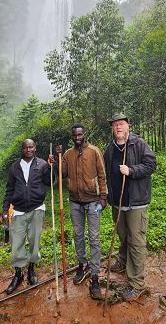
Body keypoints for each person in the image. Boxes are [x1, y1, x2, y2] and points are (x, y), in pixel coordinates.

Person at [104, 114, 156, 301]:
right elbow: (106, 174)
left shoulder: (139, 143)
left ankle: (137, 284)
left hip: (136, 202)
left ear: (128, 127)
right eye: (115, 125)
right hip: (118, 203)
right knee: (123, 235)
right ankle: (123, 261)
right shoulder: (110, 149)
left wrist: (132, 170)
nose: (118, 127)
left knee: (136, 240)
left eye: (121, 124)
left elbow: (151, 165)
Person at [56, 123, 107, 299]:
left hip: (93, 200)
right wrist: (58, 158)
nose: (77, 138)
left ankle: (94, 276)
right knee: (78, 235)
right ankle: (82, 265)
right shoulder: (68, 154)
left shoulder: (94, 151)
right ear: (72, 137)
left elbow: (102, 174)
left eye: (80, 135)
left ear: (84, 134)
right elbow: (62, 174)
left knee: (93, 237)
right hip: (74, 201)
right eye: (74, 135)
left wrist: (103, 196)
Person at [2, 138, 54, 295]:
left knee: (34, 242)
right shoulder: (14, 167)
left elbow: (51, 182)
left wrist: (52, 167)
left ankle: (31, 268)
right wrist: (5, 209)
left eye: (31, 147)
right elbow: (9, 189)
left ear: (35, 148)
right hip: (17, 211)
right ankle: (18, 274)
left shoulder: (42, 165)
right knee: (16, 243)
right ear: (22, 149)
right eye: (25, 148)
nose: (28, 150)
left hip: (36, 209)